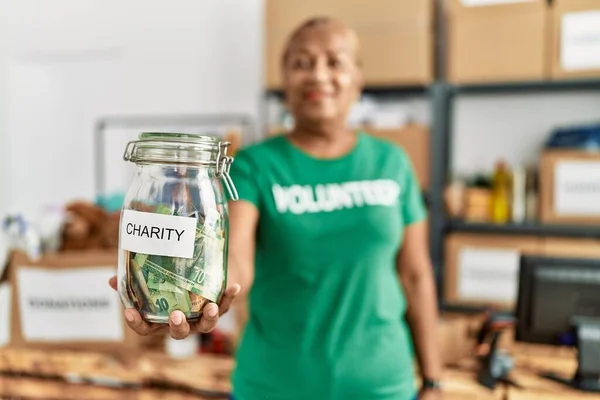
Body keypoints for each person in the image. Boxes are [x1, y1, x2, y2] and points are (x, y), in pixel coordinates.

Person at [109, 16, 443, 400]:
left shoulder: (392, 162)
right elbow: (236, 259)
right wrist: (200, 295)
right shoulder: (253, 165)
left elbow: (416, 275)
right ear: (284, 80)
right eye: (302, 63)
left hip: (383, 386)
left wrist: (432, 381)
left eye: (335, 62)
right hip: (273, 387)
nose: (318, 75)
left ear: (358, 79)